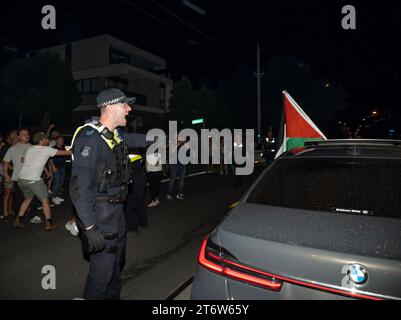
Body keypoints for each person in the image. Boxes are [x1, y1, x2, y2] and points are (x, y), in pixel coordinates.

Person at [69, 88, 149, 300]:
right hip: (100, 216)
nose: (129, 109)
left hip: (116, 212)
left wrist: (170, 138)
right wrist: (89, 227)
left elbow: (138, 139)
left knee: (116, 266)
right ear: (111, 106)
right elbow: (78, 189)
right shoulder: (89, 138)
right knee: (102, 273)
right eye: (126, 105)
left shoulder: (114, 135)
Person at [13, 132, 72, 231]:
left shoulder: (29, 148)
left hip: (21, 179)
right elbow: (65, 153)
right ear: (41, 140)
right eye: (46, 139)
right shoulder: (46, 150)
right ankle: (49, 224)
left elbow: (23, 160)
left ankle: (17, 221)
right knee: (45, 200)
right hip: (34, 180)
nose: (48, 140)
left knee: (28, 199)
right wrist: (78, 150)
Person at [2, 129, 33, 222]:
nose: (26, 135)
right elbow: (6, 162)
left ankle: (28, 216)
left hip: (31, 177)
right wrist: (6, 174)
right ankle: (17, 218)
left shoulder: (33, 147)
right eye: (23, 134)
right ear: (19, 137)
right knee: (18, 199)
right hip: (18, 178)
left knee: (29, 197)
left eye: (27, 134)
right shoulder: (13, 148)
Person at [125, 153, 148, 236]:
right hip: (141, 176)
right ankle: (143, 223)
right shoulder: (138, 150)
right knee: (139, 203)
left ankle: (133, 229)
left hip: (134, 178)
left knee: (129, 207)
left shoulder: (127, 153)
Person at [166, 137, 188, 201]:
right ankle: (169, 194)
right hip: (175, 165)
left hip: (182, 164)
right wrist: (179, 143)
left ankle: (180, 193)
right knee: (172, 180)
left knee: (181, 180)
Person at [51, 135, 68, 205]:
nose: (62, 141)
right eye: (60, 139)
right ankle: (54, 198)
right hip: (56, 167)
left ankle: (57, 196)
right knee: (56, 183)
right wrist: (53, 167)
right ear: (56, 141)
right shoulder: (53, 148)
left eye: (62, 139)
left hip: (62, 167)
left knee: (60, 183)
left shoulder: (63, 148)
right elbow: (50, 159)